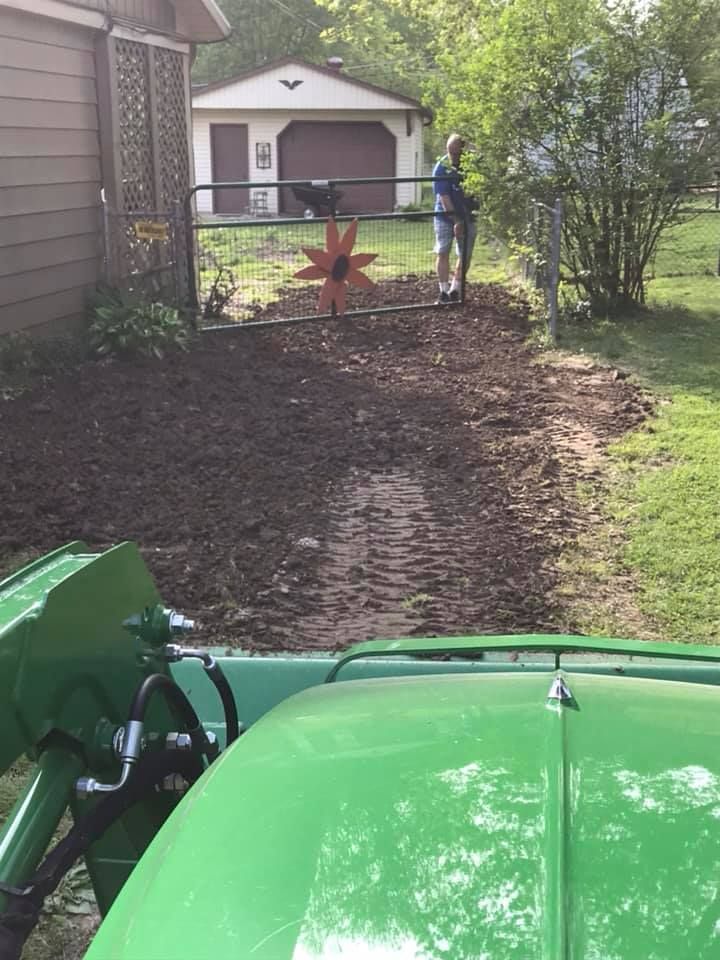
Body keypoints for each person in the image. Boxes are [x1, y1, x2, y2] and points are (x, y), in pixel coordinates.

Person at [432, 134, 477, 303]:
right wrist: (456, 221)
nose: (453, 157)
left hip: (468, 215)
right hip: (444, 216)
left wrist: (466, 217)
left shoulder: (472, 166)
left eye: (456, 153)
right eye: (450, 152)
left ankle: (455, 289)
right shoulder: (441, 167)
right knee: (443, 251)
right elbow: (444, 198)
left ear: (463, 151)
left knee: (464, 254)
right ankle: (443, 291)